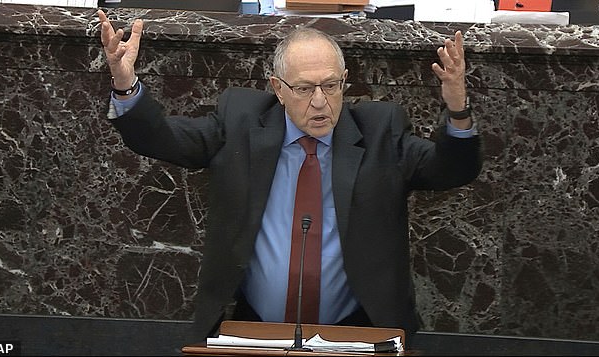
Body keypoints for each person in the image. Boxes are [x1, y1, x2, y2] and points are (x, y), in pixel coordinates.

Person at [96, 9, 482, 348]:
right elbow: (162, 138)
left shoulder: (381, 131)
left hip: (360, 334)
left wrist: (457, 109)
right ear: (278, 89)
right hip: (251, 330)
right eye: (303, 88)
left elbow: (451, 170)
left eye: (331, 86)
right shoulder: (241, 123)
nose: (320, 101)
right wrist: (126, 85)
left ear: (345, 81)